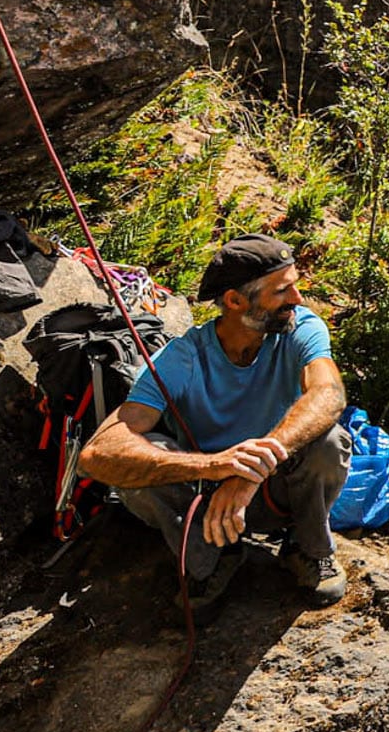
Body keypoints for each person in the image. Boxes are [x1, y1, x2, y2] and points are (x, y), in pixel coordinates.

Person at [80, 234, 351, 607]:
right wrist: (214, 467)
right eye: (282, 292)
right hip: (208, 505)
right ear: (235, 301)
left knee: (329, 440)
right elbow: (98, 453)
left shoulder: (300, 328)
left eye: (295, 288)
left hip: (274, 490)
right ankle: (214, 557)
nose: (297, 300)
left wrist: (250, 470)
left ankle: (307, 548)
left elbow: (328, 393)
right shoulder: (183, 358)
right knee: (140, 458)